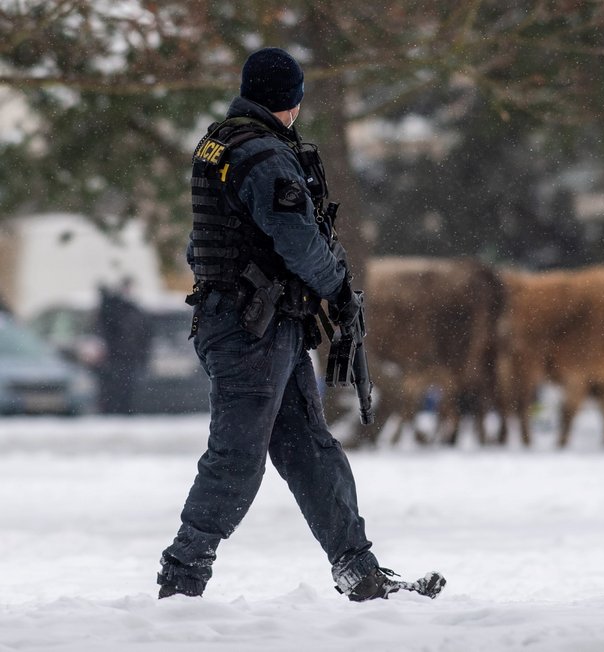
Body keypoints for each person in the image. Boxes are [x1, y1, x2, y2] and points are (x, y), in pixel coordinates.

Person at [157, 48, 445, 601]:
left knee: (309, 445)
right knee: (238, 455)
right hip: (251, 327)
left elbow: (208, 242)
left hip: (258, 321)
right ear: (289, 101)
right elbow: (296, 240)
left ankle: (357, 569)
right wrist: (337, 286)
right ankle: (182, 576)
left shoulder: (220, 142)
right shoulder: (264, 157)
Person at [95, 277, 150, 414]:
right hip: (118, 357)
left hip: (126, 357)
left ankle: (124, 410)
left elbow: (144, 334)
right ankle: (120, 411)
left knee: (125, 389)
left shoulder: (130, 309)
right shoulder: (119, 308)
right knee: (118, 388)